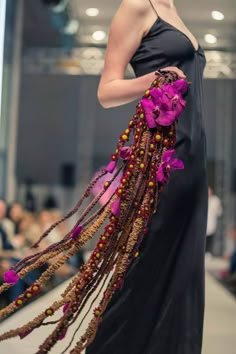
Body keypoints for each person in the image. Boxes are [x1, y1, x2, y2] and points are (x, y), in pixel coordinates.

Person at [0, 1, 207, 353]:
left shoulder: (175, 11)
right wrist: (156, 78)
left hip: (193, 158)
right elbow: (106, 91)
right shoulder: (138, 6)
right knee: (144, 268)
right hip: (160, 160)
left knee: (184, 274)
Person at [206, 186, 222, 255]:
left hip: (211, 223)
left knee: (210, 239)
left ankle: (208, 252)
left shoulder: (216, 200)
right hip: (203, 223)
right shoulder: (203, 199)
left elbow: (219, 212)